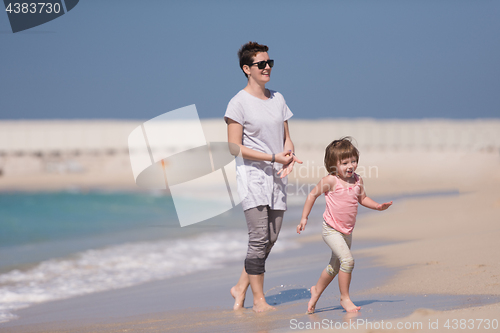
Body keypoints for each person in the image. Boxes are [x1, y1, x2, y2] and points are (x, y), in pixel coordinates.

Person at [224, 41, 302, 312]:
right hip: (253, 178)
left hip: (278, 175)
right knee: (258, 238)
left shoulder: (277, 98)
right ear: (247, 69)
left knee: (271, 236)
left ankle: (241, 286)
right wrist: (272, 157)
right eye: (261, 64)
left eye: (270, 62)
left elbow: (286, 137)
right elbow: (234, 148)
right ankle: (259, 300)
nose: (267, 67)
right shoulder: (237, 103)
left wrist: (288, 153)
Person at [296, 137, 392, 314]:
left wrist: (378, 206)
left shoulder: (357, 180)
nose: (350, 166)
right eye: (345, 162)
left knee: (334, 267)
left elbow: (362, 199)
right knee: (348, 261)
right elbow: (312, 195)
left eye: (353, 161)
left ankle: (316, 290)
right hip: (331, 230)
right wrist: (304, 218)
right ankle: (345, 298)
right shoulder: (331, 180)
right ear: (333, 166)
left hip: (347, 232)